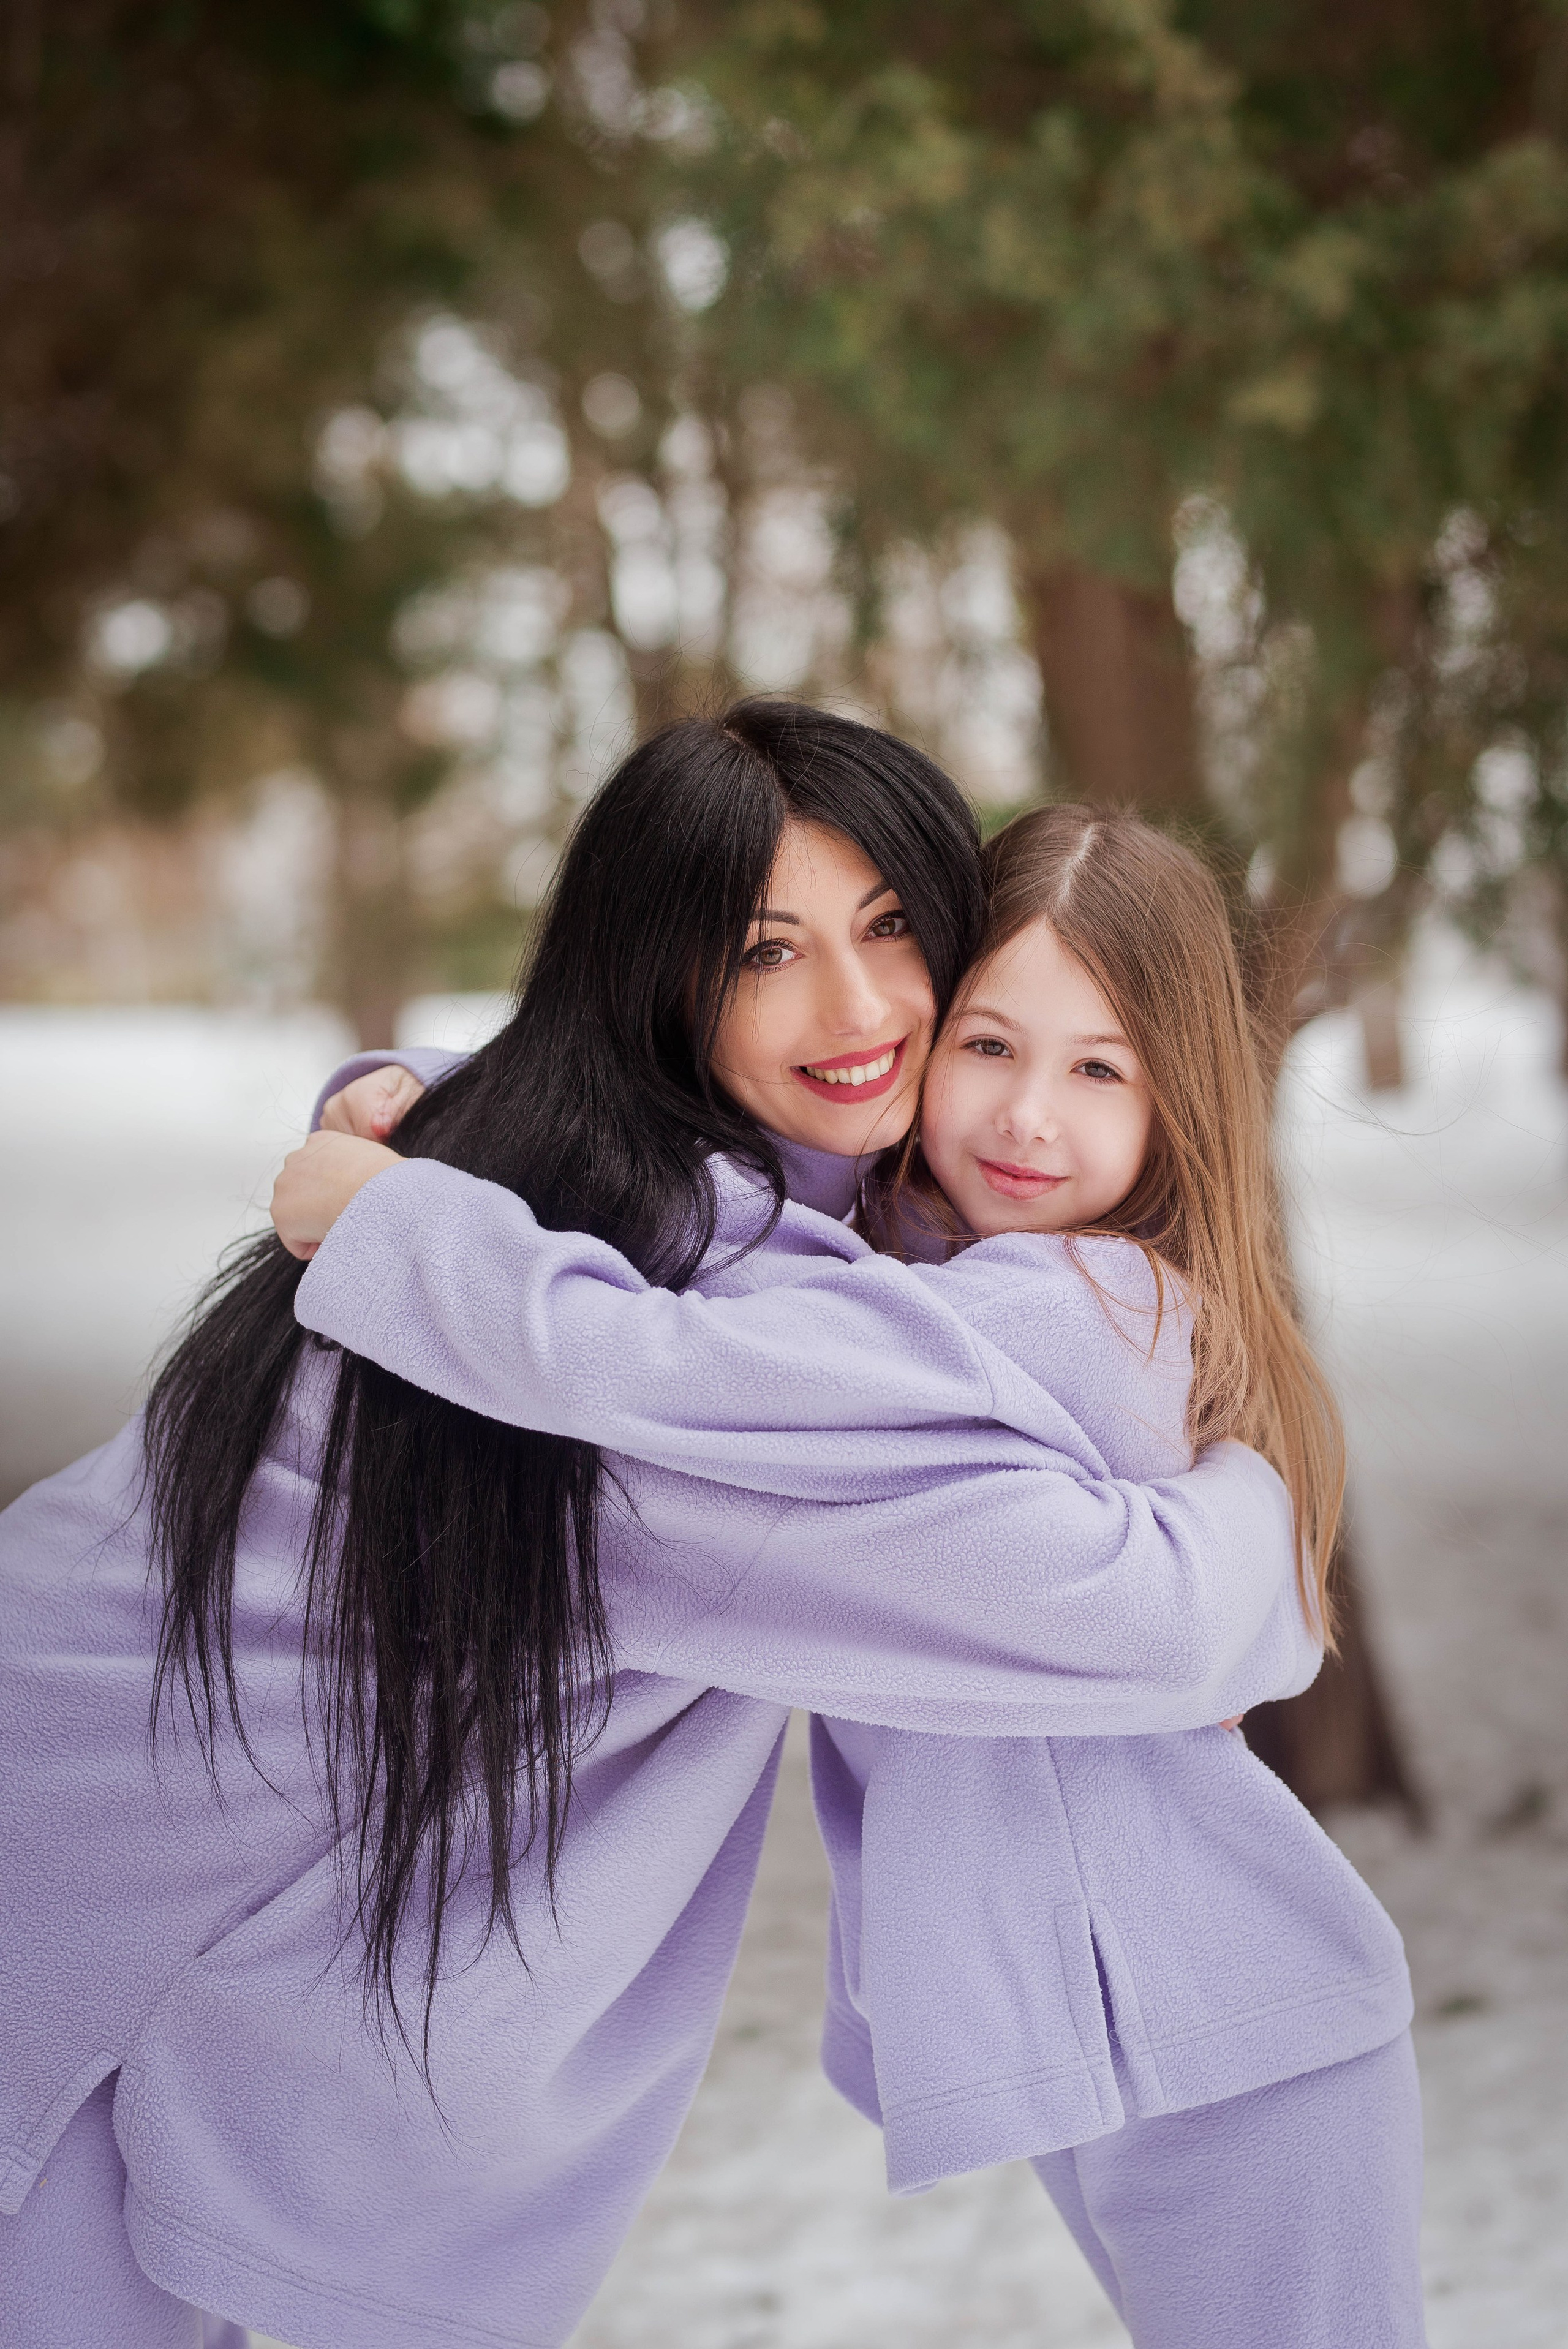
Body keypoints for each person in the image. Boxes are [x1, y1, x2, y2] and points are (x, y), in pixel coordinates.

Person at [0, 705, 1310, 2349]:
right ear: (663, 972)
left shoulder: (548, 1164)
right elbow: (1148, 1625)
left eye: (896, 927)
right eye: (769, 950)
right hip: (71, 1927)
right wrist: (1269, 1500)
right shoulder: (695, 1358)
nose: (859, 1007)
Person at [276, 801, 1423, 2347]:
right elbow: (683, 1160)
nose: (1026, 1117)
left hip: (1236, 2013)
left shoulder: (1081, 1304)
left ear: (1182, 1103)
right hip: (1127, 2015)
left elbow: (706, 1351)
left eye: (1100, 1070)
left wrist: (416, 1237)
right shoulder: (909, 1265)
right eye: (988, 1046)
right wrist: (414, 1102)